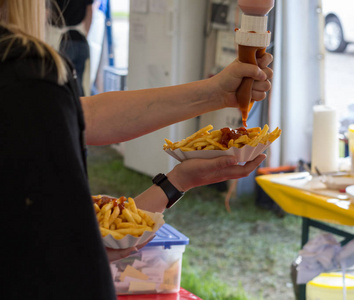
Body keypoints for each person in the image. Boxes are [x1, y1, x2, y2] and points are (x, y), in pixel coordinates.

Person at [0, 0, 273, 299]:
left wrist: (216, 94)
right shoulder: (29, 73)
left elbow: (81, 116)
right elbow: (62, 249)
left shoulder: (26, 80)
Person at [48, 0, 94, 96]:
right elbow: (90, 11)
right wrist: (85, 33)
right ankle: (80, 109)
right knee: (80, 85)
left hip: (63, 42)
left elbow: (47, 13)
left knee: (63, 85)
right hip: (81, 41)